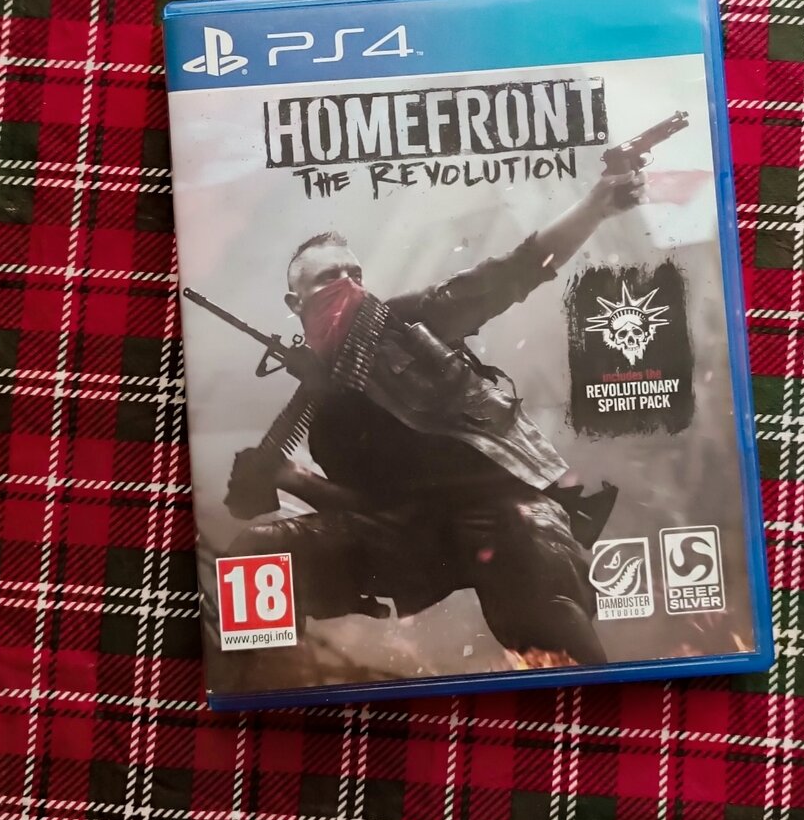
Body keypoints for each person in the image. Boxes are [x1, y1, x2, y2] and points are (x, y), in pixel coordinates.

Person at [220, 169, 644, 667]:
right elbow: (370, 508)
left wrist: (596, 206)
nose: (348, 285)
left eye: (355, 273)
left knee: (535, 581)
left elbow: (512, 273)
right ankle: (266, 690)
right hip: (415, 539)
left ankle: (581, 687)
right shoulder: (327, 416)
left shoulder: (407, 321)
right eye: (329, 277)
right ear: (296, 302)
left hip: (504, 510)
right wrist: (291, 478)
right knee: (258, 552)